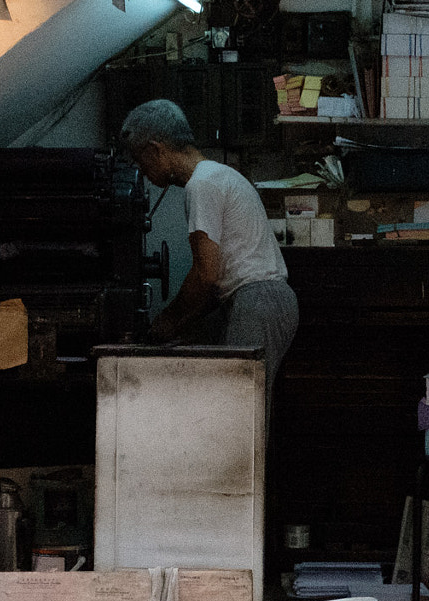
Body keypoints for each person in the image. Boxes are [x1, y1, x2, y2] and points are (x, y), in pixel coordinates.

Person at [120, 98, 299, 398]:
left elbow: (207, 275)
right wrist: (180, 325)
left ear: (155, 149)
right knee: (243, 405)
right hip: (265, 300)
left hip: (257, 301)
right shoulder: (219, 174)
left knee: (240, 405)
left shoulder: (201, 185)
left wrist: (168, 319)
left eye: (141, 161)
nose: (144, 172)